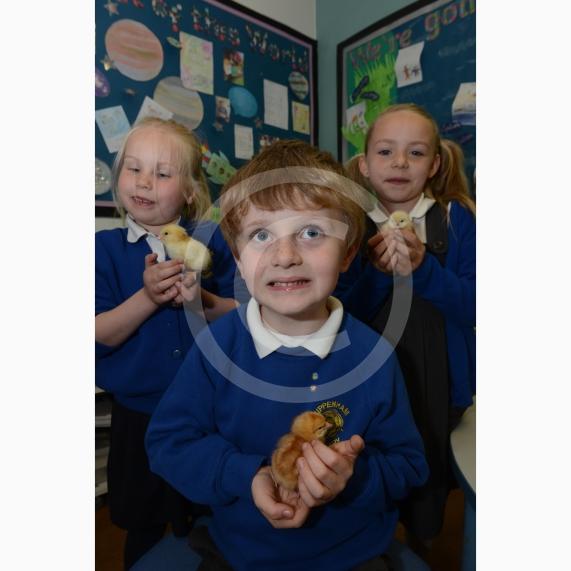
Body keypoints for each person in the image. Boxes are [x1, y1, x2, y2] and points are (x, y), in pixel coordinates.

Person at [145, 140, 429, 571]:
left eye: (312, 232)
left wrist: (353, 477)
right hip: (239, 553)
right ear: (239, 261)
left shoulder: (376, 357)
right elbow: (168, 443)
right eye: (262, 235)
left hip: (351, 555)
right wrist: (250, 475)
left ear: (348, 252)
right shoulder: (216, 347)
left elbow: (408, 466)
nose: (285, 256)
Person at [95, 117, 238, 569]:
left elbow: (249, 314)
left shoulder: (215, 242)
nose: (144, 182)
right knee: (144, 524)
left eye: (161, 172)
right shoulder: (103, 249)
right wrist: (149, 297)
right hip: (139, 417)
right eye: (133, 169)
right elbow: (98, 332)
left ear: (191, 190)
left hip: (211, 413)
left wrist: (203, 299)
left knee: (211, 516)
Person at [342, 103, 476, 553]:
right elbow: (340, 313)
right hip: (367, 388)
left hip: (439, 390)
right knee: (367, 480)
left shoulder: (457, 221)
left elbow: (477, 305)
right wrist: (381, 272)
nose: (400, 163)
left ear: (435, 164)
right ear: (364, 165)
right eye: (385, 151)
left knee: (425, 497)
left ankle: (418, 548)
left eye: (415, 153)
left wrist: (422, 269)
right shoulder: (348, 224)